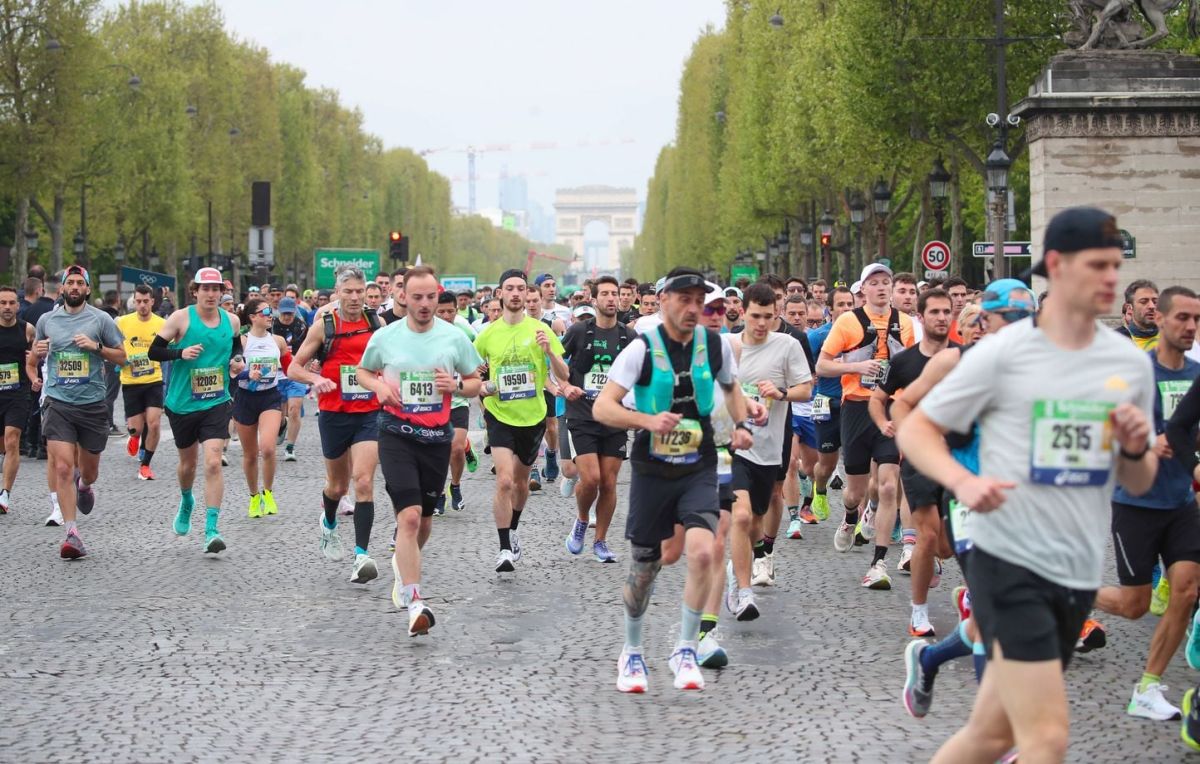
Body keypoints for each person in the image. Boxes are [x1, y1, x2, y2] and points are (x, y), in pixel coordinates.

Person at [898, 207, 1157, 764]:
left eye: (1116, 265)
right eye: (1098, 265)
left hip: (1076, 567)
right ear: (1057, 266)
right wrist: (962, 481)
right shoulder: (1002, 354)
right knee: (1046, 737)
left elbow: (1138, 480)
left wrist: (1136, 448)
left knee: (991, 735)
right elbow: (916, 427)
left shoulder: (1129, 364)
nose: (1112, 277)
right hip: (1009, 558)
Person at [594, 267, 753, 693]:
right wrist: (646, 420)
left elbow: (732, 389)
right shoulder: (641, 349)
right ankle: (631, 650)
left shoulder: (715, 346)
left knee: (703, 552)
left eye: (699, 301)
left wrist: (741, 425)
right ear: (663, 300)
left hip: (699, 464)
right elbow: (603, 408)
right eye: (684, 299)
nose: (693, 308)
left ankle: (685, 647)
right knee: (645, 566)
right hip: (652, 469)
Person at [356, 266, 483, 635]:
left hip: (436, 437)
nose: (425, 304)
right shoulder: (385, 336)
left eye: (431, 297)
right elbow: (363, 372)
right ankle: (415, 601)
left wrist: (456, 385)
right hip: (396, 433)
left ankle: (403, 562)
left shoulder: (454, 337)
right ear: (403, 297)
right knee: (408, 518)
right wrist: (379, 388)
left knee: (424, 521)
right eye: (417, 297)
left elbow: (476, 382)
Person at [1095, 286, 1200, 720]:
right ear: (1161, 320)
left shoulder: (1196, 374)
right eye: (1183, 318)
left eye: (1196, 320)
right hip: (1136, 503)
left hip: (1181, 501)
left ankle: (1148, 687)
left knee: (1187, 590)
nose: (1191, 327)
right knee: (1135, 605)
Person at [817, 263, 915, 589]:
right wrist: (857, 366)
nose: (882, 287)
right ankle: (849, 517)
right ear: (863, 290)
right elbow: (822, 365)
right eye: (875, 283)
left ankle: (879, 563)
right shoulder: (848, 321)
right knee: (855, 491)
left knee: (888, 486)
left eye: (886, 282)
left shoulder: (906, 323)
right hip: (856, 407)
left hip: (891, 408)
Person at [287, 266, 383, 583]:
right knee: (338, 487)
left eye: (359, 291)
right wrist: (316, 379)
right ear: (337, 292)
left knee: (364, 481)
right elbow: (294, 368)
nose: (355, 297)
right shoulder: (324, 326)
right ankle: (328, 522)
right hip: (334, 413)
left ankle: (361, 556)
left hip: (368, 412)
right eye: (348, 291)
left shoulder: (376, 324)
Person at [869, 288, 955, 636]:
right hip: (918, 458)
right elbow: (878, 400)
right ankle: (919, 612)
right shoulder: (904, 361)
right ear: (921, 317)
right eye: (934, 312)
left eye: (946, 311)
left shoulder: (965, 357)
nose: (941, 317)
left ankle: (944, 571)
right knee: (928, 535)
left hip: (957, 461)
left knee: (948, 546)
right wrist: (884, 424)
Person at [473, 269, 569, 572]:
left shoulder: (541, 330)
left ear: (527, 294)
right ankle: (503, 548)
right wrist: (482, 386)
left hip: (532, 416)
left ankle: (513, 527)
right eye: (509, 288)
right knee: (504, 480)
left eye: (520, 288)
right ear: (500, 293)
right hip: (499, 414)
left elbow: (564, 374)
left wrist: (549, 352)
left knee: (521, 484)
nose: (515, 293)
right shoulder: (487, 334)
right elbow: (471, 372)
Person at [726, 282, 812, 613]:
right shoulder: (728, 346)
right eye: (755, 316)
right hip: (733, 446)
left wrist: (781, 393)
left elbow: (806, 389)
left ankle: (740, 565)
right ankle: (743, 590)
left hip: (768, 447)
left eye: (767, 316)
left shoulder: (787, 346)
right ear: (743, 313)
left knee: (755, 522)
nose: (761, 323)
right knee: (741, 515)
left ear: (776, 313)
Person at [29, 266, 126, 559]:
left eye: (79, 283)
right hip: (58, 402)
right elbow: (34, 356)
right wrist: (38, 354)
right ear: (61, 289)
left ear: (87, 289)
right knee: (62, 467)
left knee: (89, 471)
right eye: (69, 282)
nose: (74, 287)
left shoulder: (101, 319)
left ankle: (85, 485)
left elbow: (123, 357)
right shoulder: (47, 320)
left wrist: (96, 347)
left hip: (93, 404)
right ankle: (72, 534)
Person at [151, 268, 240, 555]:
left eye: (216, 289)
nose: (211, 294)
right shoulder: (180, 318)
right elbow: (154, 352)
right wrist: (180, 353)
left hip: (216, 401)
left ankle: (212, 529)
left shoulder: (232, 321)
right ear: (195, 291)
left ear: (222, 292)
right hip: (182, 403)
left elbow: (235, 347)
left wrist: (237, 360)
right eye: (206, 289)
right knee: (188, 465)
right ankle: (187, 500)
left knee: (213, 462)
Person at [558, 276, 632, 563]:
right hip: (583, 414)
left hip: (614, 416)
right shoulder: (579, 331)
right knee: (590, 479)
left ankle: (600, 541)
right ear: (594, 299)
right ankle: (581, 520)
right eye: (605, 294)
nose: (611, 298)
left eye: (615, 294)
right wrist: (564, 386)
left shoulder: (629, 337)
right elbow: (556, 364)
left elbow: (642, 373)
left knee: (609, 483)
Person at [232, 298, 290, 519]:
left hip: (270, 397)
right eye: (265, 312)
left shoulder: (278, 341)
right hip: (245, 398)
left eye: (270, 311)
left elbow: (290, 365)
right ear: (252, 317)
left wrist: (310, 369)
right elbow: (231, 370)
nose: (270, 315)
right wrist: (248, 373)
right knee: (250, 454)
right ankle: (254, 496)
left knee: (267, 448)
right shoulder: (242, 342)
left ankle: (268, 492)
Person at [432, 290, 479, 513]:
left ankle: (456, 485)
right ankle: (439, 492)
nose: (446, 316)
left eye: (450, 311)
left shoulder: (463, 332)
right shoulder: (425, 334)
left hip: (458, 400)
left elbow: (476, 351)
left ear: (456, 310)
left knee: (456, 449)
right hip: (432, 402)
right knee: (437, 451)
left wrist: (476, 365)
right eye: (441, 312)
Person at [116, 285, 167, 480]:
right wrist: (118, 360)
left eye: (146, 301)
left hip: (154, 379)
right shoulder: (122, 322)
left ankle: (146, 464)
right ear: (134, 302)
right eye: (138, 301)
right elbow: (113, 344)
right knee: (136, 427)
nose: (142, 305)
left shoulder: (162, 323)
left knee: (154, 423)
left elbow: (171, 345)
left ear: (152, 301)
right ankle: (135, 436)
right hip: (131, 381)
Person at [0, 285, 35, 513]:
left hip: (18, 393)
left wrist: (35, 360)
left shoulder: (27, 330)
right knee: (3, 445)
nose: (7, 307)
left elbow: (36, 358)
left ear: (18, 305)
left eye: (11, 303)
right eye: (3, 303)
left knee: (12, 440)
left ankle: (5, 494)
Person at [272, 296, 309, 461]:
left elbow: (309, 348)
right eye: (284, 313)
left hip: (295, 372)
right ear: (279, 312)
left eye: (290, 313)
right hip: (276, 374)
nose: (287, 317)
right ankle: (282, 425)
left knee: (294, 409)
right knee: (278, 414)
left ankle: (290, 447)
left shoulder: (301, 327)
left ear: (295, 311)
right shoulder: (271, 325)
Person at [1115, 279, 1159, 350]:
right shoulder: (1115, 341)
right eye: (1144, 302)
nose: (1152, 306)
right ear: (1130, 308)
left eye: (1155, 302)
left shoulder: (1172, 337)